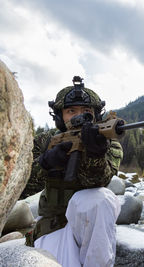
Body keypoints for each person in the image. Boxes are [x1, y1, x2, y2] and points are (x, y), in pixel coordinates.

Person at [26, 76, 123, 267]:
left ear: (96, 115)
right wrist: (44, 164)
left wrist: (95, 153)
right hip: (52, 225)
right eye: (71, 111)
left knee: (101, 198)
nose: (79, 116)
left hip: (90, 224)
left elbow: (99, 182)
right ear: (59, 116)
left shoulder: (106, 141)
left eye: (86, 111)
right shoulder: (44, 142)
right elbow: (18, 189)